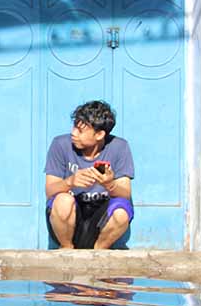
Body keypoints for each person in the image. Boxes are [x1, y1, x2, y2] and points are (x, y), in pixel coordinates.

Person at [44, 100, 134, 250]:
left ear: (99, 134)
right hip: (71, 218)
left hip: (101, 218)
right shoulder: (60, 144)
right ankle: (66, 249)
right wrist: (70, 182)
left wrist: (109, 184)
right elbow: (49, 191)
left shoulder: (120, 147)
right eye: (74, 127)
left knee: (121, 211)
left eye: (80, 131)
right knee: (62, 200)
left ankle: (99, 250)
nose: (73, 133)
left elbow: (125, 194)